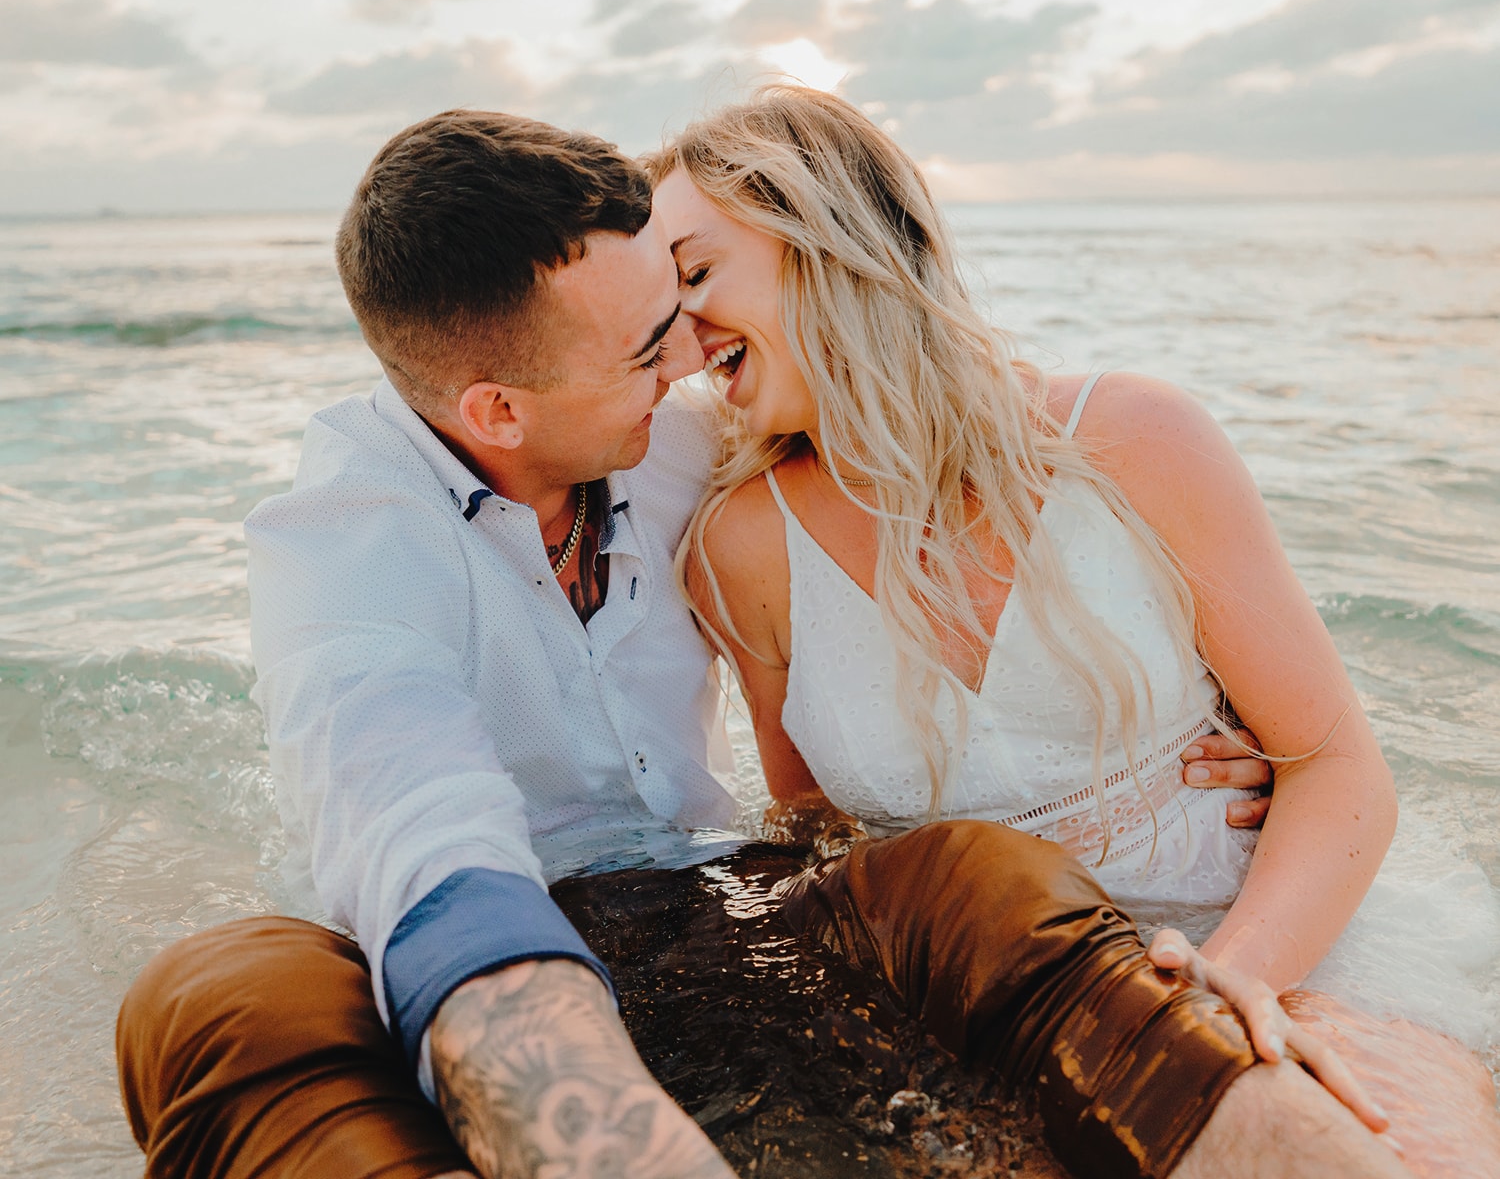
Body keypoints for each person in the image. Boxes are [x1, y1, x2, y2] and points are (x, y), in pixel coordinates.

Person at [115, 108, 1413, 1179]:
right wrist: (572, 1102)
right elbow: (404, 798)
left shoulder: (685, 443)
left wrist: (1201, 746)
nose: (682, 358)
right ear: (499, 408)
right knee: (224, 995)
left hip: (709, 902)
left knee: (971, 878)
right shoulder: (352, 541)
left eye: (685, 297)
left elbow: (901, 440)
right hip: (478, 946)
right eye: (649, 332)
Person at [649, 86, 1500, 1177]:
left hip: (1271, 937)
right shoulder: (741, 547)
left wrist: (1230, 981)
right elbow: (819, 839)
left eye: (697, 273)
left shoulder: (1133, 439)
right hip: (999, 1007)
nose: (681, 330)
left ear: (819, 234)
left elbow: (1335, 765)